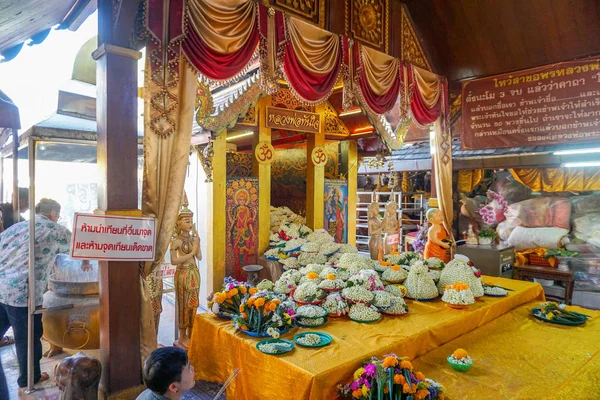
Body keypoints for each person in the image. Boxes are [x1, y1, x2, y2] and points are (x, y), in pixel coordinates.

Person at [0, 198, 88, 390]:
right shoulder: (55, 230)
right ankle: (29, 379)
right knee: (29, 338)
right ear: (53, 214)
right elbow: (82, 245)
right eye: (59, 215)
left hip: (2, 287)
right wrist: (86, 261)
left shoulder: (17, 227)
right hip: (22, 295)